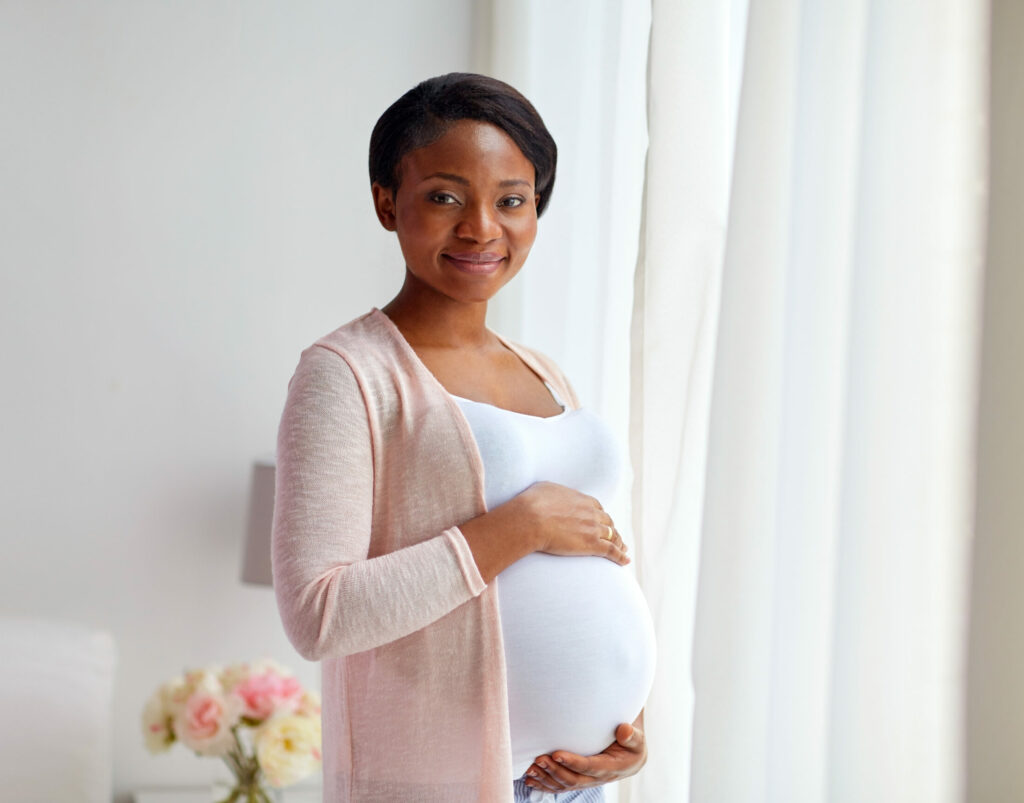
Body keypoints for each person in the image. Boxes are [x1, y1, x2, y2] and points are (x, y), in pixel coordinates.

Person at [271, 72, 656, 803]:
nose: (482, 227)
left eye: (511, 199)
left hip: (576, 785)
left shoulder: (544, 372)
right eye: (446, 196)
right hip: (438, 782)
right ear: (388, 201)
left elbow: (592, 560)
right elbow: (320, 614)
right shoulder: (346, 373)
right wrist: (521, 524)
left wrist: (624, 725)